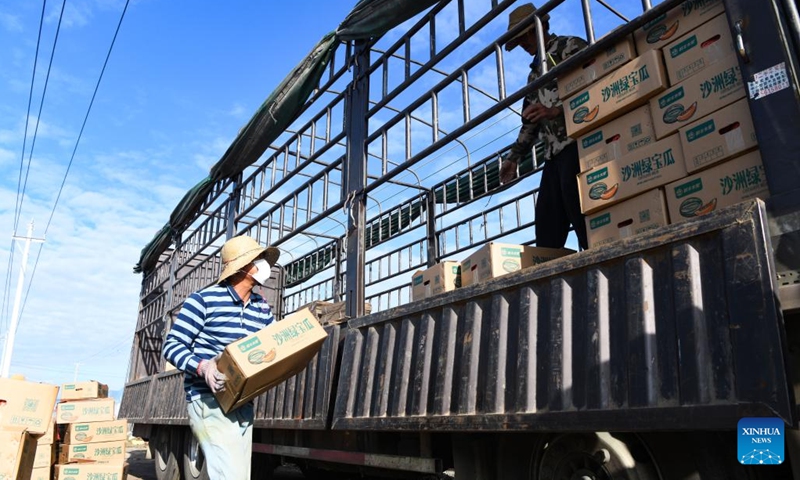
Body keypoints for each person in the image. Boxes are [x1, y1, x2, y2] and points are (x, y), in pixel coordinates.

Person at [162, 235, 280, 480]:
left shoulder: (261, 307)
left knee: (237, 475)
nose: (265, 265)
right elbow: (172, 345)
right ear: (243, 267)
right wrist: (203, 367)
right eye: (258, 259)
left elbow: (275, 343)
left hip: (242, 403)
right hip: (209, 400)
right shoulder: (203, 300)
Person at [501, 3, 589, 250]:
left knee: (584, 219)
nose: (522, 43)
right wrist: (513, 158)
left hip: (579, 145)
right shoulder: (533, 75)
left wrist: (557, 110)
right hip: (553, 157)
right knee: (547, 231)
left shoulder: (570, 47)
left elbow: (595, 83)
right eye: (518, 40)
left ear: (540, 27)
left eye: (524, 35)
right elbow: (530, 121)